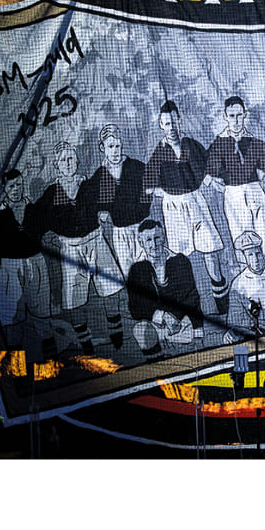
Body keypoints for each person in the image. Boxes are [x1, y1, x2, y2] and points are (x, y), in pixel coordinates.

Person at [143, 100, 229, 314]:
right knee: (181, 259)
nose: (171, 127)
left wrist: (211, 180)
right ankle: (192, 312)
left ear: (179, 121)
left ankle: (224, 309)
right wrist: (166, 193)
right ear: (161, 125)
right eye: (166, 124)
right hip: (173, 209)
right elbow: (148, 186)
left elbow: (206, 168)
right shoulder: (159, 152)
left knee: (210, 253)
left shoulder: (191, 144)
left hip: (196, 202)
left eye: (173, 122)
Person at [83, 124, 153, 348]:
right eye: (110, 146)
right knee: (128, 274)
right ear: (102, 148)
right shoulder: (100, 176)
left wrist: (142, 209)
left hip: (140, 228)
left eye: (118, 146)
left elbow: (148, 190)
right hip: (120, 233)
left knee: (146, 270)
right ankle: (138, 320)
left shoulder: (135, 167)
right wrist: (102, 211)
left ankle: (154, 317)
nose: (115, 150)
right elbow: (95, 203)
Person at [0, 168, 64, 358]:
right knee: (12, 320)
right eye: (11, 186)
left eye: (19, 185)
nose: (16, 190)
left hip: (36, 265)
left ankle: (51, 364)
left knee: (42, 315)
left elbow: (46, 228)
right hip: (10, 269)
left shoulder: (34, 210)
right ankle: (16, 369)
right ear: (4, 189)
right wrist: (9, 260)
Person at [33, 141, 99, 354]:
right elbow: (37, 219)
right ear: (56, 165)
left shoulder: (88, 185)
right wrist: (46, 234)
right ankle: (85, 340)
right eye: (63, 160)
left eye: (71, 158)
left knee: (110, 288)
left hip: (95, 241)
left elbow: (105, 205)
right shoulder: (52, 192)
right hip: (70, 247)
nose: (68, 163)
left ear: (78, 161)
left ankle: (116, 330)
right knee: (73, 298)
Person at [205, 95, 265, 259]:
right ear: (225, 116)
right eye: (232, 116)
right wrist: (213, 182)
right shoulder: (218, 144)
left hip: (255, 191)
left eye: (239, 115)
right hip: (233, 195)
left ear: (245, 115)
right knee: (242, 238)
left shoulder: (254, 142)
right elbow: (206, 170)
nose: (236, 120)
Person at [126, 219, 203, 361]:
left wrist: (174, 316)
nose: (154, 244)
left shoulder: (180, 261)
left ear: (164, 237)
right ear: (141, 243)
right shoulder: (137, 269)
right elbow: (135, 308)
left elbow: (191, 297)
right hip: (157, 325)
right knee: (140, 329)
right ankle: (157, 364)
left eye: (157, 238)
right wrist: (162, 316)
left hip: (182, 322)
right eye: (148, 240)